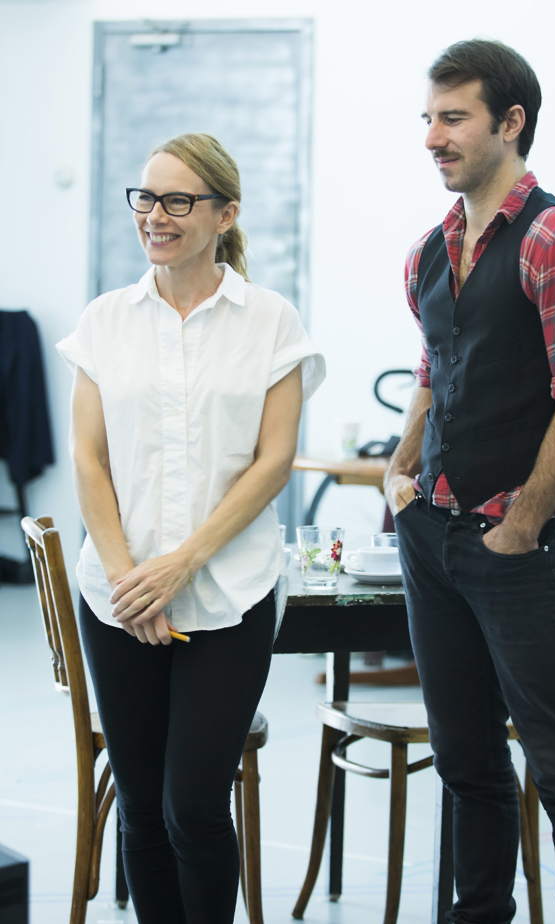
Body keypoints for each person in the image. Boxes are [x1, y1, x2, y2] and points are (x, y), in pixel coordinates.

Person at [56, 132, 325, 924]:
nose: (156, 216)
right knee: (140, 808)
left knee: (193, 808)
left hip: (230, 596)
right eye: (146, 197)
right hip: (119, 600)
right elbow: (88, 459)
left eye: (178, 200)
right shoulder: (105, 321)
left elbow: (274, 462)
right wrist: (127, 577)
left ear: (225, 213)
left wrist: (181, 564)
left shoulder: (271, 321)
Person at [384, 39, 555, 924]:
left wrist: (521, 523)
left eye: (454, 118)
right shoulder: (431, 250)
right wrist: (402, 470)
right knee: (467, 764)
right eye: (429, 119)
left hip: (525, 548)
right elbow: (435, 367)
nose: (433, 137)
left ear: (510, 122)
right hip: (435, 537)